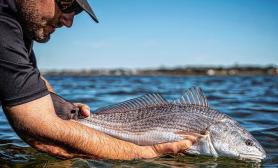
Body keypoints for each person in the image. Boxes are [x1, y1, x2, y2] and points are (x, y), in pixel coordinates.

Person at [0, 0, 197, 160]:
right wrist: (147, 153)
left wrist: (60, 106)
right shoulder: (3, 26)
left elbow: (28, 79)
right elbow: (41, 130)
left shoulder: (18, 28)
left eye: (76, 11)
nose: (69, 22)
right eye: (67, 3)